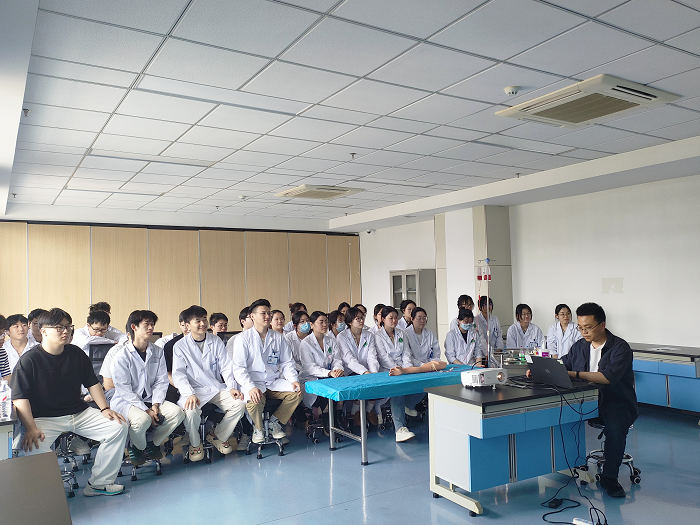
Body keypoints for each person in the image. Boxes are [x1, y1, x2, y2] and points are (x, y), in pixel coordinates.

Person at [11, 308, 128, 496]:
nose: (65, 331)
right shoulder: (30, 360)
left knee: (118, 427)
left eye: (68, 327)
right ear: (43, 331)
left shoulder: (76, 353)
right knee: (33, 447)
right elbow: (19, 397)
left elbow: (92, 383)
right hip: (45, 418)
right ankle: (43, 494)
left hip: (79, 413)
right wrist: (31, 427)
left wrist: (105, 408)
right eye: (59, 327)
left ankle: (99, 483)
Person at [561, 303, 638, 499]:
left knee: (615, 429)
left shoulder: (620, 348)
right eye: (580, 328)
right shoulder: (579, 346)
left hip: (616, 402)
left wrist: (575, 374)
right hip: (584, 402)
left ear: (602, 325)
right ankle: (562, 465)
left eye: (588, 327)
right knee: (558, 416)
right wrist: (545, 369)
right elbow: (564, 363)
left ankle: (609, 478)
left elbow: (607, 377)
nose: (584, 332)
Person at [110, 310, 185, 466]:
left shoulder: (157, 351)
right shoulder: (121, 357)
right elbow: (124, 390)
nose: (151, 328)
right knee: (142, 420)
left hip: (151, 398)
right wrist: (146, 410)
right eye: (146, 324)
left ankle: (152, 443)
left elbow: (161, 381)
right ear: (134, 327)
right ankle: (135, 446)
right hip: (127, 401)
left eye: (152, 324)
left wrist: (155, 405)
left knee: (177, 413)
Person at [172, 305, 246, 461]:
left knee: (239, 404)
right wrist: (189, 393)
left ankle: (217, 436)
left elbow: (226, 367)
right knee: (190, 412)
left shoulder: (215, 341)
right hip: (193, 390)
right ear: (187, 325)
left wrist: (231, 387)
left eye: (204, 319)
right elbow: (179, 374)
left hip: (215, 387)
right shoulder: (180, 346)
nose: (202, 324)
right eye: (197, 321)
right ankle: (195, 443)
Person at [232, 299, 301, 444]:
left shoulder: (278, 337)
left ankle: (274, 422)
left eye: (269, 313)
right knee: (254, 400)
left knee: (298, 392)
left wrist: (293, 380)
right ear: (252, 316)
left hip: (273, 381)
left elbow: (287, 362)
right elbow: (239, 368)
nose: (267, 316)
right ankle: (258, 428)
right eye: (263, 313)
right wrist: (250, 387)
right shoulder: (242, 339)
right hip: (253, 381)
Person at [375, 306, 419, 442]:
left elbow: (406, 353)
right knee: (398, 389)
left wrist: (406, 369)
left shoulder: (401, 333)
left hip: (403, 369)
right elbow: (384, 357)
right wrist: (398, 369)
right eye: (391, 318)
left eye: (396, 317)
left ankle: (408, 405)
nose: (394, 320)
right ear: (383, 319)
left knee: (423, 382)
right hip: (387, 371)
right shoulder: (378, 336)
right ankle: (400, 429)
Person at [336, 307, 386, 427]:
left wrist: (373, 373)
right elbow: (349, 359)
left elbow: (372, 356)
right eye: (357, 319)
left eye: (362, 318)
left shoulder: (368, 335)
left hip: (368, 370)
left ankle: (369, 410)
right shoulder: (342, 336)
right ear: (349, 321)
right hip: (350, 370)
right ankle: (355, 412)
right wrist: (365, 372)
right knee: (359, 386)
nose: (361, 321)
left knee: (378, 383)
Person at [298, 311, 344, 413]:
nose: (325, 325)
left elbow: (337, 359)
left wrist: (337, 369)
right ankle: (326, 415)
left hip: (329, 376)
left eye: (326, 322)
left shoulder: (331, 340)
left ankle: (336, 413)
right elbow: (310, 367)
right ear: (311, 324)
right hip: (311, 378)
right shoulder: (306, 343)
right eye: (321, 322)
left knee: (340, 383)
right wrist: (329, 373)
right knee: (326, 389)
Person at [476, 296, 503, 365]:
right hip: (482, 354)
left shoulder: (495, 319)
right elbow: (481, 340)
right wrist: (487, 353)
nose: (488, 306)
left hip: (495, 353)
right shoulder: (476, 320)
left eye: (490, 304)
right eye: (485, 304)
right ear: (480, 306)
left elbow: (499, 336)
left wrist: (499, 350)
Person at [284, 309, 311, 374]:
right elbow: (289, 360)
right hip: (296, 371)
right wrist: (303, 370)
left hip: (314, 370)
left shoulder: (313, 336)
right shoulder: (288, 338)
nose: (306, 323)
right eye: (302, 322)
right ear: (295, 326)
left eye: (307, 320)